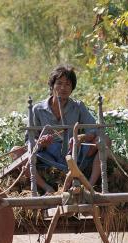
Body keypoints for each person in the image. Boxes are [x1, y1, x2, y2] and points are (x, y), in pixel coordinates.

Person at [28, 65, 102, 193]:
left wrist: (81, 137)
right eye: (59, 83)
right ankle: (48, 189)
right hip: (47, 155)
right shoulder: (37, 109)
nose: (63, 88)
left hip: (73, 153)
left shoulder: (78, 107)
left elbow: (94, 129)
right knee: (17, 153)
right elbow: (30, 139)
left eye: (68, 84)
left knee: (104, 141)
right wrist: (41, 142)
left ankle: (90, 186)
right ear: (52, 86)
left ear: (72, 88)